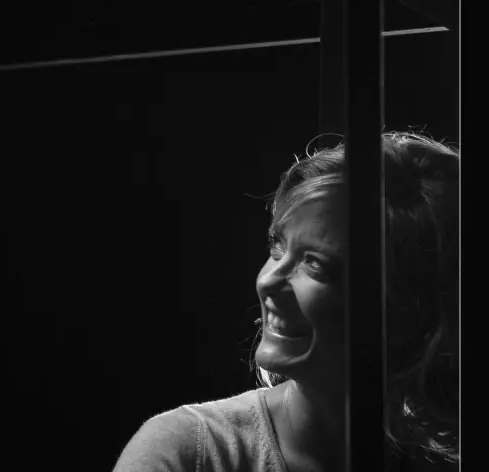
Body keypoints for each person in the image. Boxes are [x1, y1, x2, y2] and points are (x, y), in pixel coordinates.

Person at [113, 132, 458, 472]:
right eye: (277, 247)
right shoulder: (189, 453)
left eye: (315, 263)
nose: (267, 281)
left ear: (405, 305)